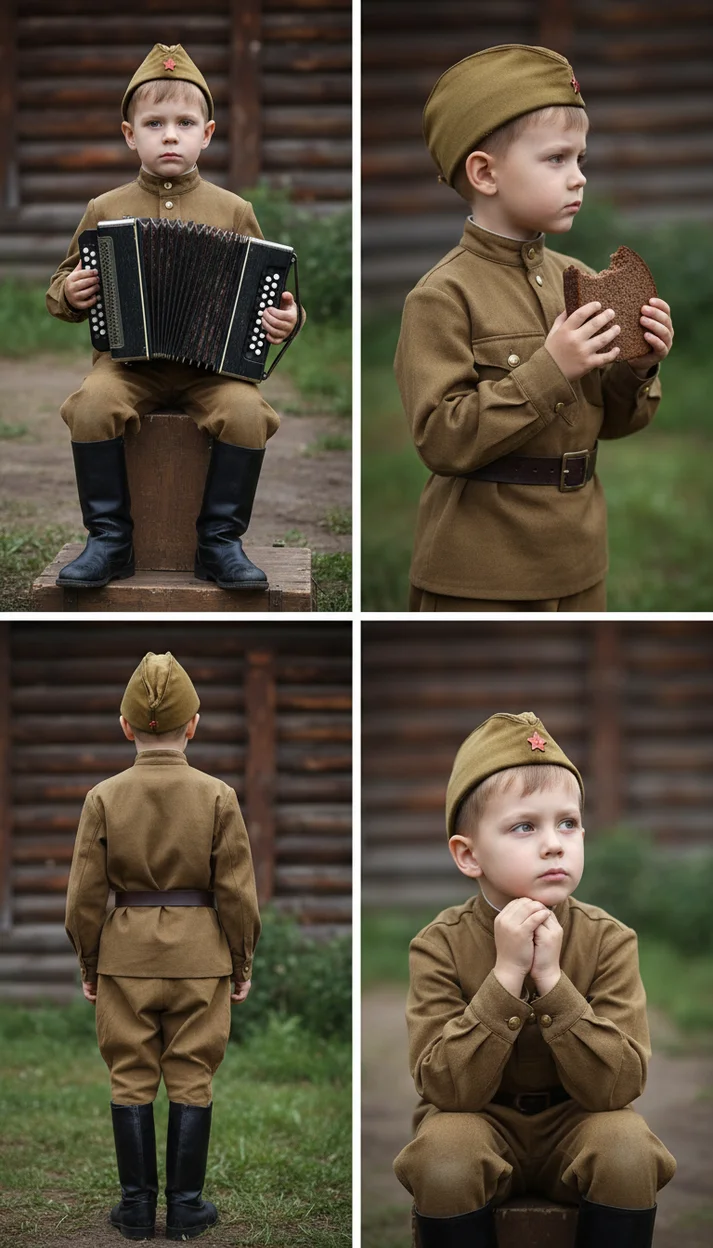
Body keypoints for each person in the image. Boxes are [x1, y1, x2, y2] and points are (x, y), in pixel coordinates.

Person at [395, 45, 674, 612]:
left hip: (578, 560)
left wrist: (639, 367)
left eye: (581, 159)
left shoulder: (582, 279)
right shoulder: (441, 296)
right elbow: (440, 439)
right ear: (485, 172)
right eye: (556, 159)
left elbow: (619, 422)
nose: (579, 178)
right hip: (480, 569)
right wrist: (552, 369)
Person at [393, 710, 676, 1247]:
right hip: (479, 1122)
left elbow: (619, 1087)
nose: (554, 844)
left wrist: (552, 981)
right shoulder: (440, 945)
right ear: (468, 854)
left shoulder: (609, 940)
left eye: (567, 823)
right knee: (444, 1156)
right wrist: (504, 977)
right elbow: (444, 1088)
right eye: (525, 826)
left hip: (578, 1124)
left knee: (628, 1148)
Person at [46, 43, 303, 591]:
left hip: (212, 370)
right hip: (126, 365)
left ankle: (220, 543)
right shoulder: (104, 209)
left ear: (206, 135)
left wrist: (287, 318)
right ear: (129, 134)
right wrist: (71, 291)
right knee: (91, 405)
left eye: (184, 123)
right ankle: (110, 541)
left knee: (247, 412)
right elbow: (59, 289)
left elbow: (269, 294)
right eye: (154, 123)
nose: (169, 135)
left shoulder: (234, 211)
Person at [65, 651, 260, 1241]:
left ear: (125, 726)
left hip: (125, 960)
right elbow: (237, 893)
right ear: (193, 724)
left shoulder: (103, 797)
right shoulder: (219, 797)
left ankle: (134, 1209)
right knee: (192, 1075)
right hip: (202, 962)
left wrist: (90, 963)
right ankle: (185, 1208)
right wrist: (242, 960)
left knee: (130, 1076)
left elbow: (83, 897)